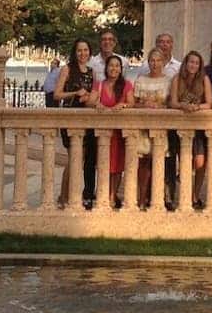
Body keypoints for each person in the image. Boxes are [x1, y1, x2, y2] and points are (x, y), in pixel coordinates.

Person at [131, 34, 179, 209]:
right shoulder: (141, 79)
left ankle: (161, 198)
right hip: (143, 128)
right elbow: (133, 102)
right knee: (143, 164)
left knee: (161, 164)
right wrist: (144, 104)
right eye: (152, 60)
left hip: (162, 129)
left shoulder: (169, 80)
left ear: (162, 63)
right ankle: (142, 198)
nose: (155, 63)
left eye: (158, 60)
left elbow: (171, 102)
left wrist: (161, 106)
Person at [54, 38, 98, 206]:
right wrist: (74, 93)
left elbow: (92, 94)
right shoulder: (67, 69)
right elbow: (57, 94)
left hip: (85, 119)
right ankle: (63, 196)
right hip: (70, 117)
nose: (83, 53)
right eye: (79, 50)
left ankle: (70, 195)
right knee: (73, 158)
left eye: (85, 50)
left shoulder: (91, 71)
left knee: (80, 160)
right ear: (75, 52)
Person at [168, 49, 211, 208]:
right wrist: (183, 105)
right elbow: (172, 102)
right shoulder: (177, 79)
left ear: (200, 66)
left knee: (200, 162)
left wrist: (197, 107)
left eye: (196, 63)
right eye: (191, 62)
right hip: (180, 126)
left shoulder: (204, 80)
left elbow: (209, 103)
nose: (193, 65)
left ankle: (195, 194)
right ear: (186, 64)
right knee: (182, 159)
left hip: (198, 126)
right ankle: (185, 197)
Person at [94, 54, 134, 208]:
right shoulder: (99, 84)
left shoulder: (127, 85)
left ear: (121, 69)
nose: (114, 68)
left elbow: (132, 103)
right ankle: (103, 193)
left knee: (117, 166)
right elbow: (92, 101)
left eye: (117, 66)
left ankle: (112, 196)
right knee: (104, 164)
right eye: (111, 65)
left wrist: (123, 105)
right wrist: (97, 105)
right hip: (103, 132)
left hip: (119, 133)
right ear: (106, 67)